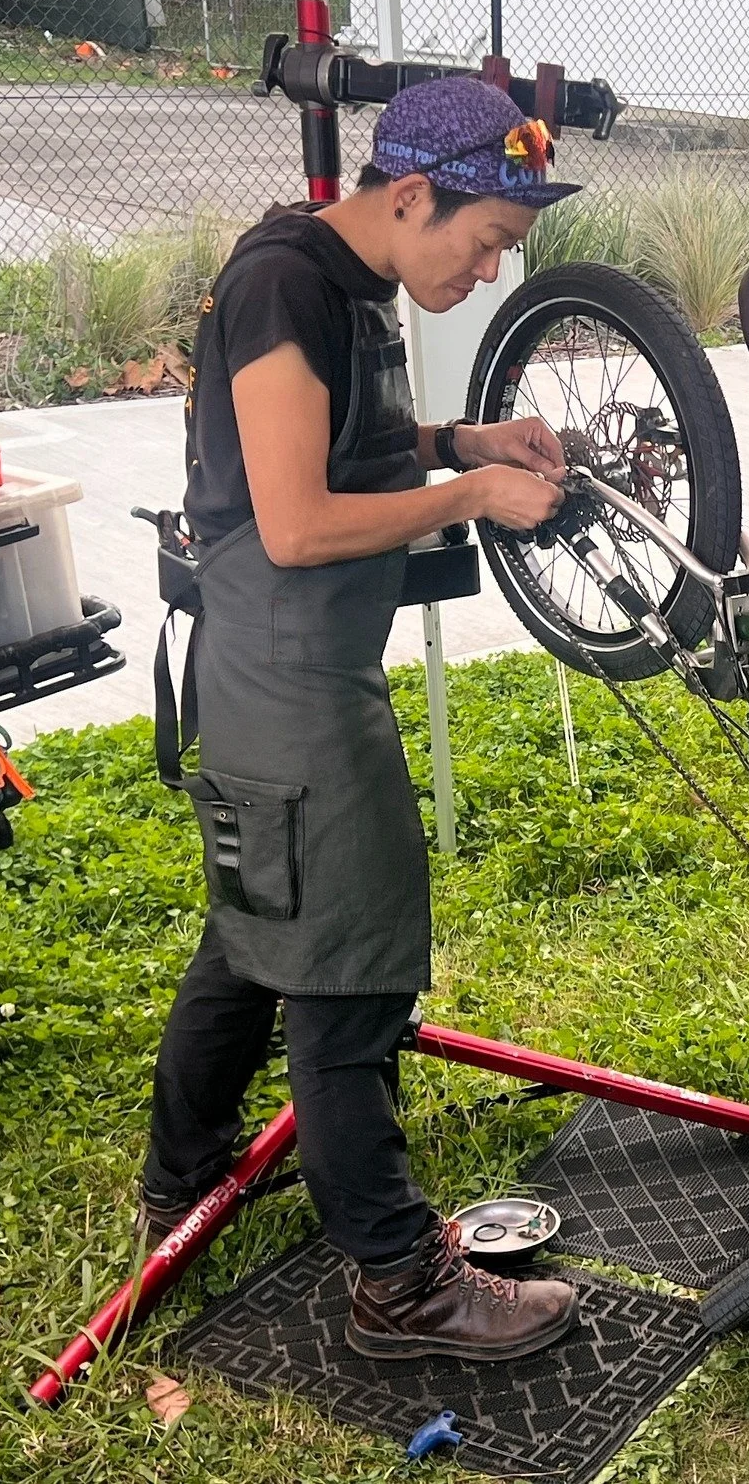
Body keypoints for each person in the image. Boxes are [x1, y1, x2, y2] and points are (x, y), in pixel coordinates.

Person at [138, 76, 582, 1362]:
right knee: (351, 966)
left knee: (259, 922)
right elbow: (294, 520)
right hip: (287, 670)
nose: (488, 273)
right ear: (410, 195)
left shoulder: (348, 275)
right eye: (484, 242)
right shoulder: (286, 286)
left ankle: (182, 1178)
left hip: (285, 664)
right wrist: (472, 498)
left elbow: (337, 443)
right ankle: (399, 1282)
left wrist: (458, 439)